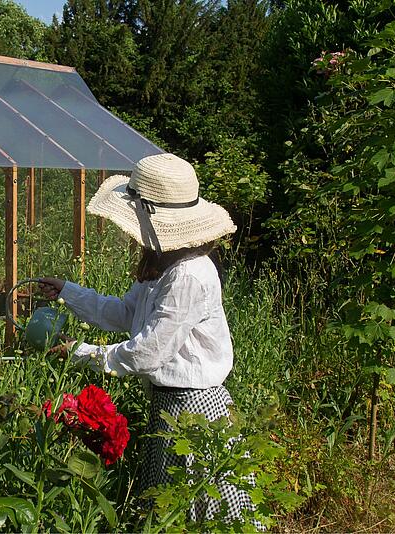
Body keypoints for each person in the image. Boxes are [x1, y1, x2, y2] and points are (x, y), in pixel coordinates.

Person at [39, 152, 257, 526]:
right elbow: (124, 313)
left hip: (196, 411)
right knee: (170, 514)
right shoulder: (165, 265)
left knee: (196, 516)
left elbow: (147, 353)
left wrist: (82, 352)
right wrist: (67, 291)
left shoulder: (189, 275)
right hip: (170, 404)